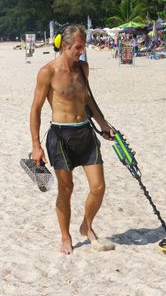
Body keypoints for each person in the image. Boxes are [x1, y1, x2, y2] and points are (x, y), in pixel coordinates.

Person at [30, 24, 114, 255]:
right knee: (66, 189)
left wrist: (103, 124)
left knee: (98, 187)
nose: (81, 51)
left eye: (83, 46)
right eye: (78, 47)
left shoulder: (83, 68)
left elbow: (89, 100)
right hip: (60, 136)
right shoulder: (48, 72)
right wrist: (36, 146)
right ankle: (65, 235)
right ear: (65, 46)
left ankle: (86, 225)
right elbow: (35, 110)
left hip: (85, 132)